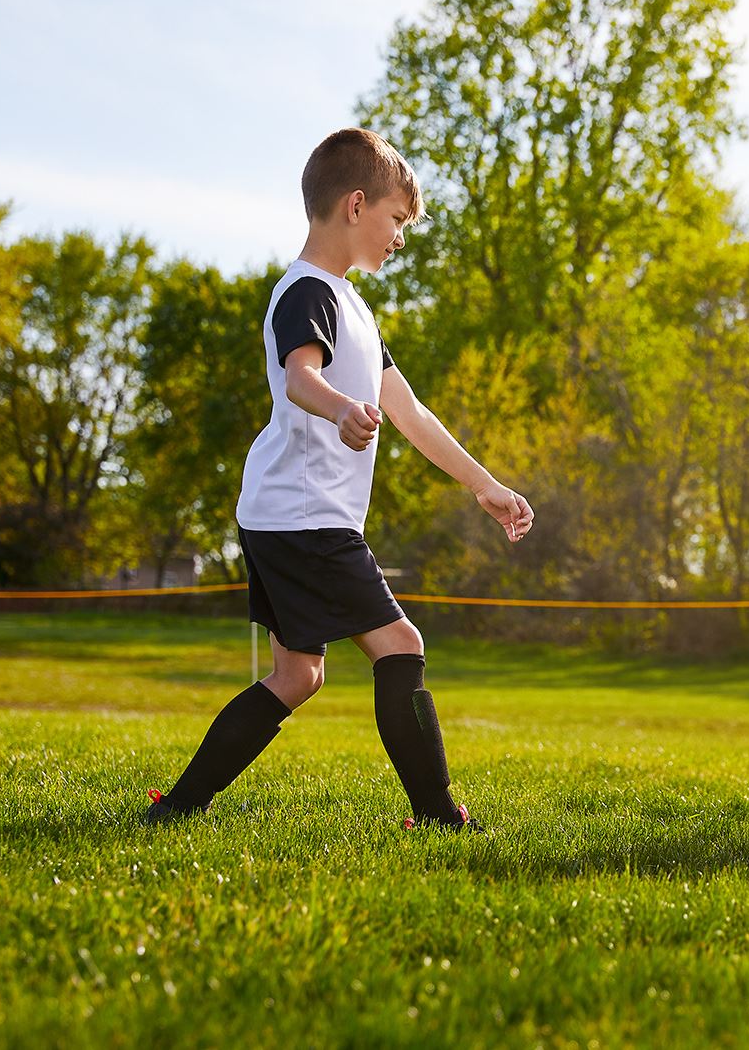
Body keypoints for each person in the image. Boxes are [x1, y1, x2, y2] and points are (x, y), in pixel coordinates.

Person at [145, 128, 534, 830]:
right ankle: (440, 817)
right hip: (305, 517)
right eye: (396, 220)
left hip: (289, 515)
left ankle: (176, 808)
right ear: (356, 206)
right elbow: (301, 378)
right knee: (402, 645)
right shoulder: (309, 292)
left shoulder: (354, 307)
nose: (400, 238)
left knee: (297, 676)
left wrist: (485, 485)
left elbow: (408, 412)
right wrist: (341, 409)